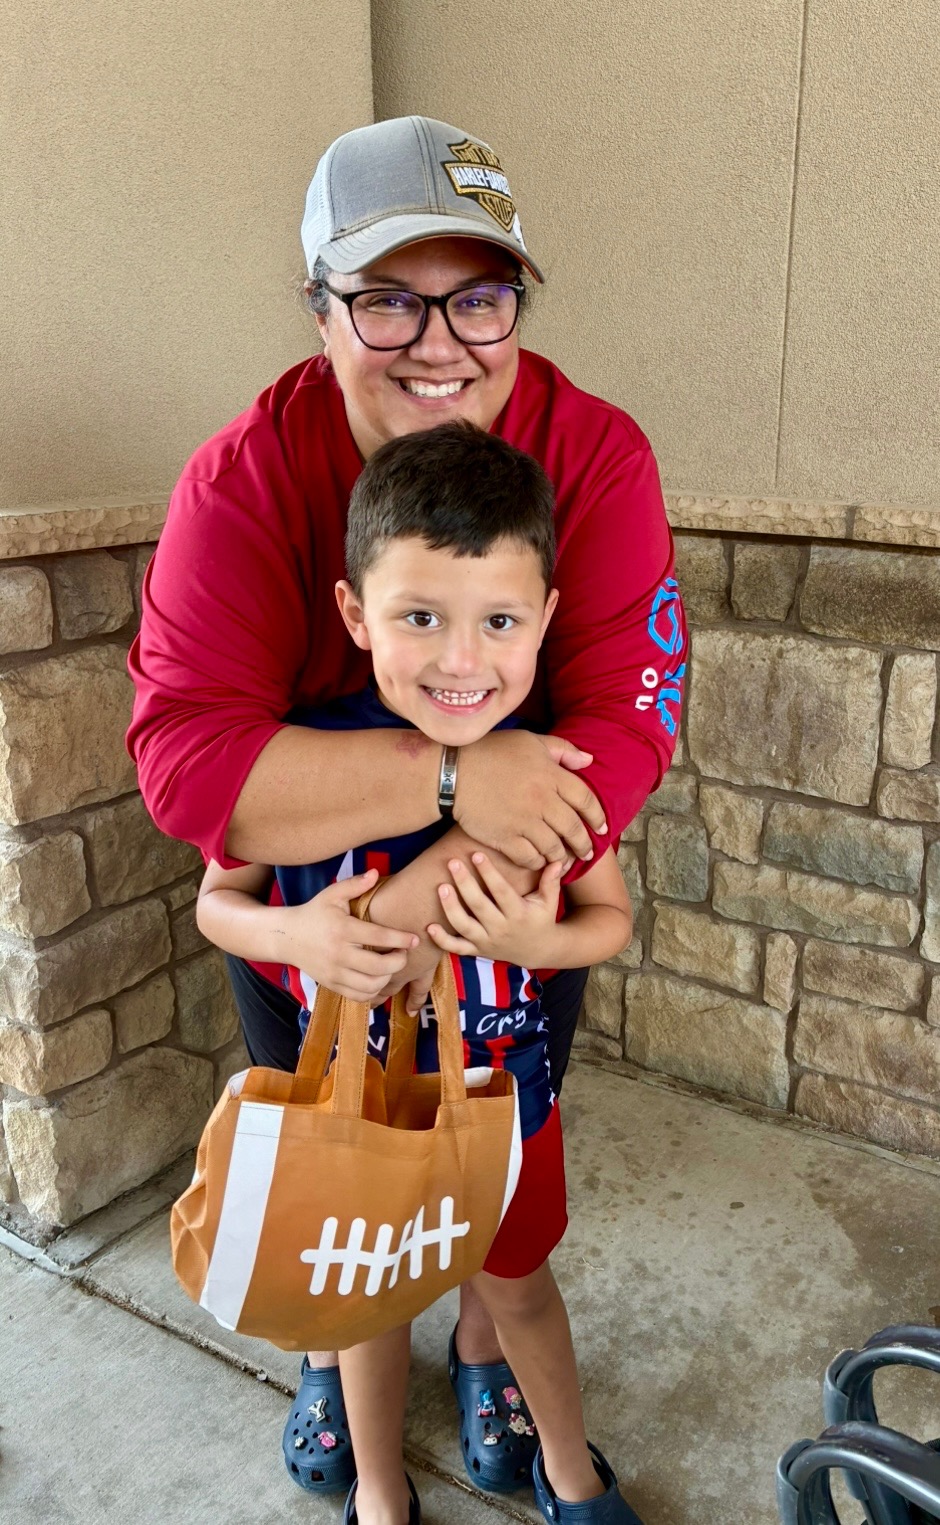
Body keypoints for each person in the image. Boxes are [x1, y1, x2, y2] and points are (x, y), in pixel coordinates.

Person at [128, 115, 685, 1504]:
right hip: (318, 945)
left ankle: (485, 1347)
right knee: (340, 1183)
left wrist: (416, 890)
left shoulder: (595, 455)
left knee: (498, 1193)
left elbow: (626, 726)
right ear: (319, 308)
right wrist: (456, 779)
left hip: (501, 932)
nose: (441, 345)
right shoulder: (245, 481)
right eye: (387, 299)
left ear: (517, 304)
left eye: (478, 297)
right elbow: (192, 773)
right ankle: (338, 1350)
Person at [196, 421, 644, 1525]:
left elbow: (608, 920)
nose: (460, 661)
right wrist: (295, 935)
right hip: (354, 1102)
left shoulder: (546, 771)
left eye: (499, 620)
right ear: (356, 616)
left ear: (545, 616)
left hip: (504, 1100)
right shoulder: (306, 764)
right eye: (420, 617)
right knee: (367, 1303)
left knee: (519, 1288)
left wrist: (539, 946)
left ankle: (571, 1472)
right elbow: (217, 902)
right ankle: (383, 1491)